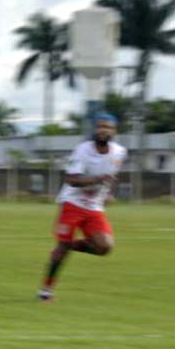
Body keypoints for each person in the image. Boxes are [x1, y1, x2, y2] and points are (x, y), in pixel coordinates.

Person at [37, 113, 127, 301]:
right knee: (62, 250)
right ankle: (46, 290)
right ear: (94, 129)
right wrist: (97, 179)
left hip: (94, 207)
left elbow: (111, 176)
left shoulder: (119, 152)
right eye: (100, 126)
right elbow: (71, 179)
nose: (103, 130)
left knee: (104, 247)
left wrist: (107, 193)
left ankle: (67, 245)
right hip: (72, 203)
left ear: (114, 131)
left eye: (107, 127)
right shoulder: (83, 150)